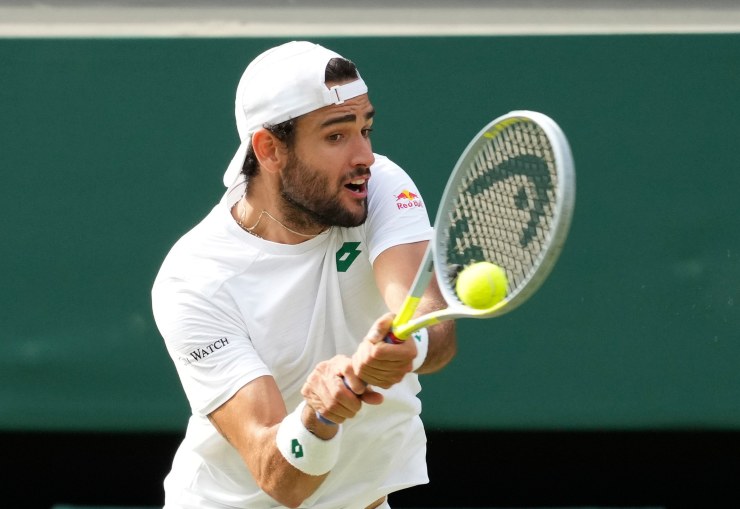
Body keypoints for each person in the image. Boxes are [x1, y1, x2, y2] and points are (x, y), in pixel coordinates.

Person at [152, 40, 457, 509]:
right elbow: (281, 481)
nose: (365, 156)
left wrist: (402, 347)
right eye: (336, 137)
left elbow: (433, 325)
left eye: (365, 128)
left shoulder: (378, 187)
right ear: (270, 149)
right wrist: (316, 415)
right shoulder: (195, 279)